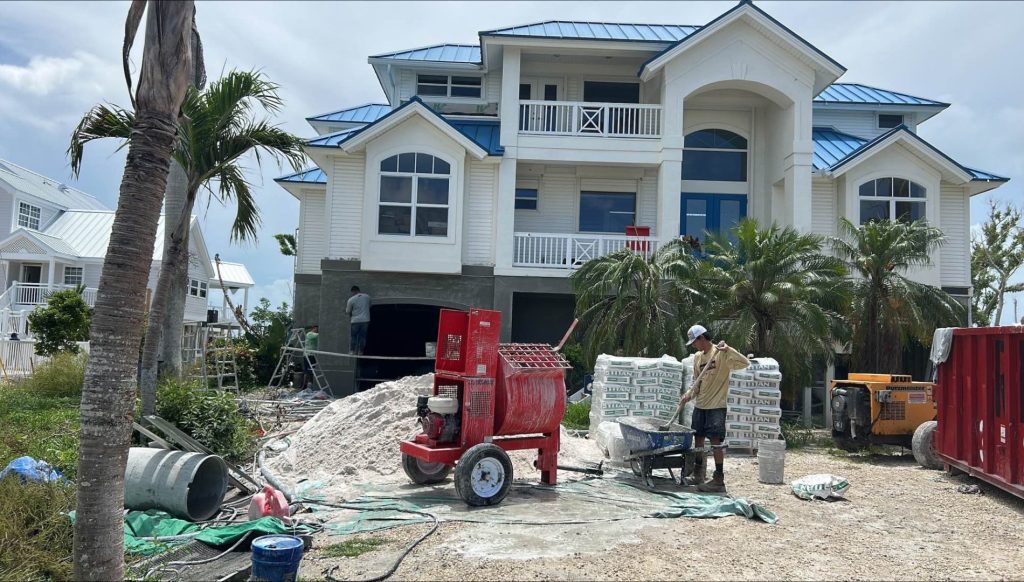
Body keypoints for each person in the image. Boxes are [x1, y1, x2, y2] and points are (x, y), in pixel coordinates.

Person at [680, 324, 750, 493]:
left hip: (716, 406)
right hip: (701, 405)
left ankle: (718, 479)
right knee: (698, 438)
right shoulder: (697, 357)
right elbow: (697, 382)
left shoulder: (720, 353)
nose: (694, 346)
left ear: (702, 338)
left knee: (715, 441)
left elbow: (744, 363)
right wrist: (689, 394)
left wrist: (729, 350)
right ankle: (698, 474)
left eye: (695, 342)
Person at [346, 286, 371, 355]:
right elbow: (369, 306)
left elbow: (348, 311)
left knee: (354, 336)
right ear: (359, 290)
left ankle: (352, 351)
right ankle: (360, 351)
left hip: (355, 321)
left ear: (353, 291)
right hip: (365, 320)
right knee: (363, 337)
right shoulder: (367, 297)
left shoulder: (351, 299)